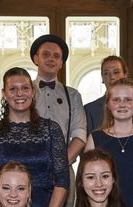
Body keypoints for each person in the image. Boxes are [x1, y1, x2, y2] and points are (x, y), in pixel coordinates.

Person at [0, 67, 69, 207]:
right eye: (13, 89)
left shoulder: (52, 130)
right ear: (4, 94)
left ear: (33, 92)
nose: (19, 93)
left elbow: (62, 179)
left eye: (25, 88)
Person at [85, 77, 133, 207]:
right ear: (108, 105)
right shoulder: (94, 139)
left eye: (128, 100)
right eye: (116, 100)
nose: (122, 105)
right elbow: (86, 184)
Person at [30, 34, 87, 165]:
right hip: (29, 169)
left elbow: (79, 133)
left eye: (56, 56)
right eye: (45, 54)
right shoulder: (24, 93)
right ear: (36, 59)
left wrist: (61, 164)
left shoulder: (73, 95)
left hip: (64, 166)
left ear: (61, 63)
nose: (51, 59)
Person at [84, 56, 128, 132]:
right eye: (106, 73)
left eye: (116, 72)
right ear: (102, 78)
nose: (112, 77)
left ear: (125, 75)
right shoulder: (90, 109)